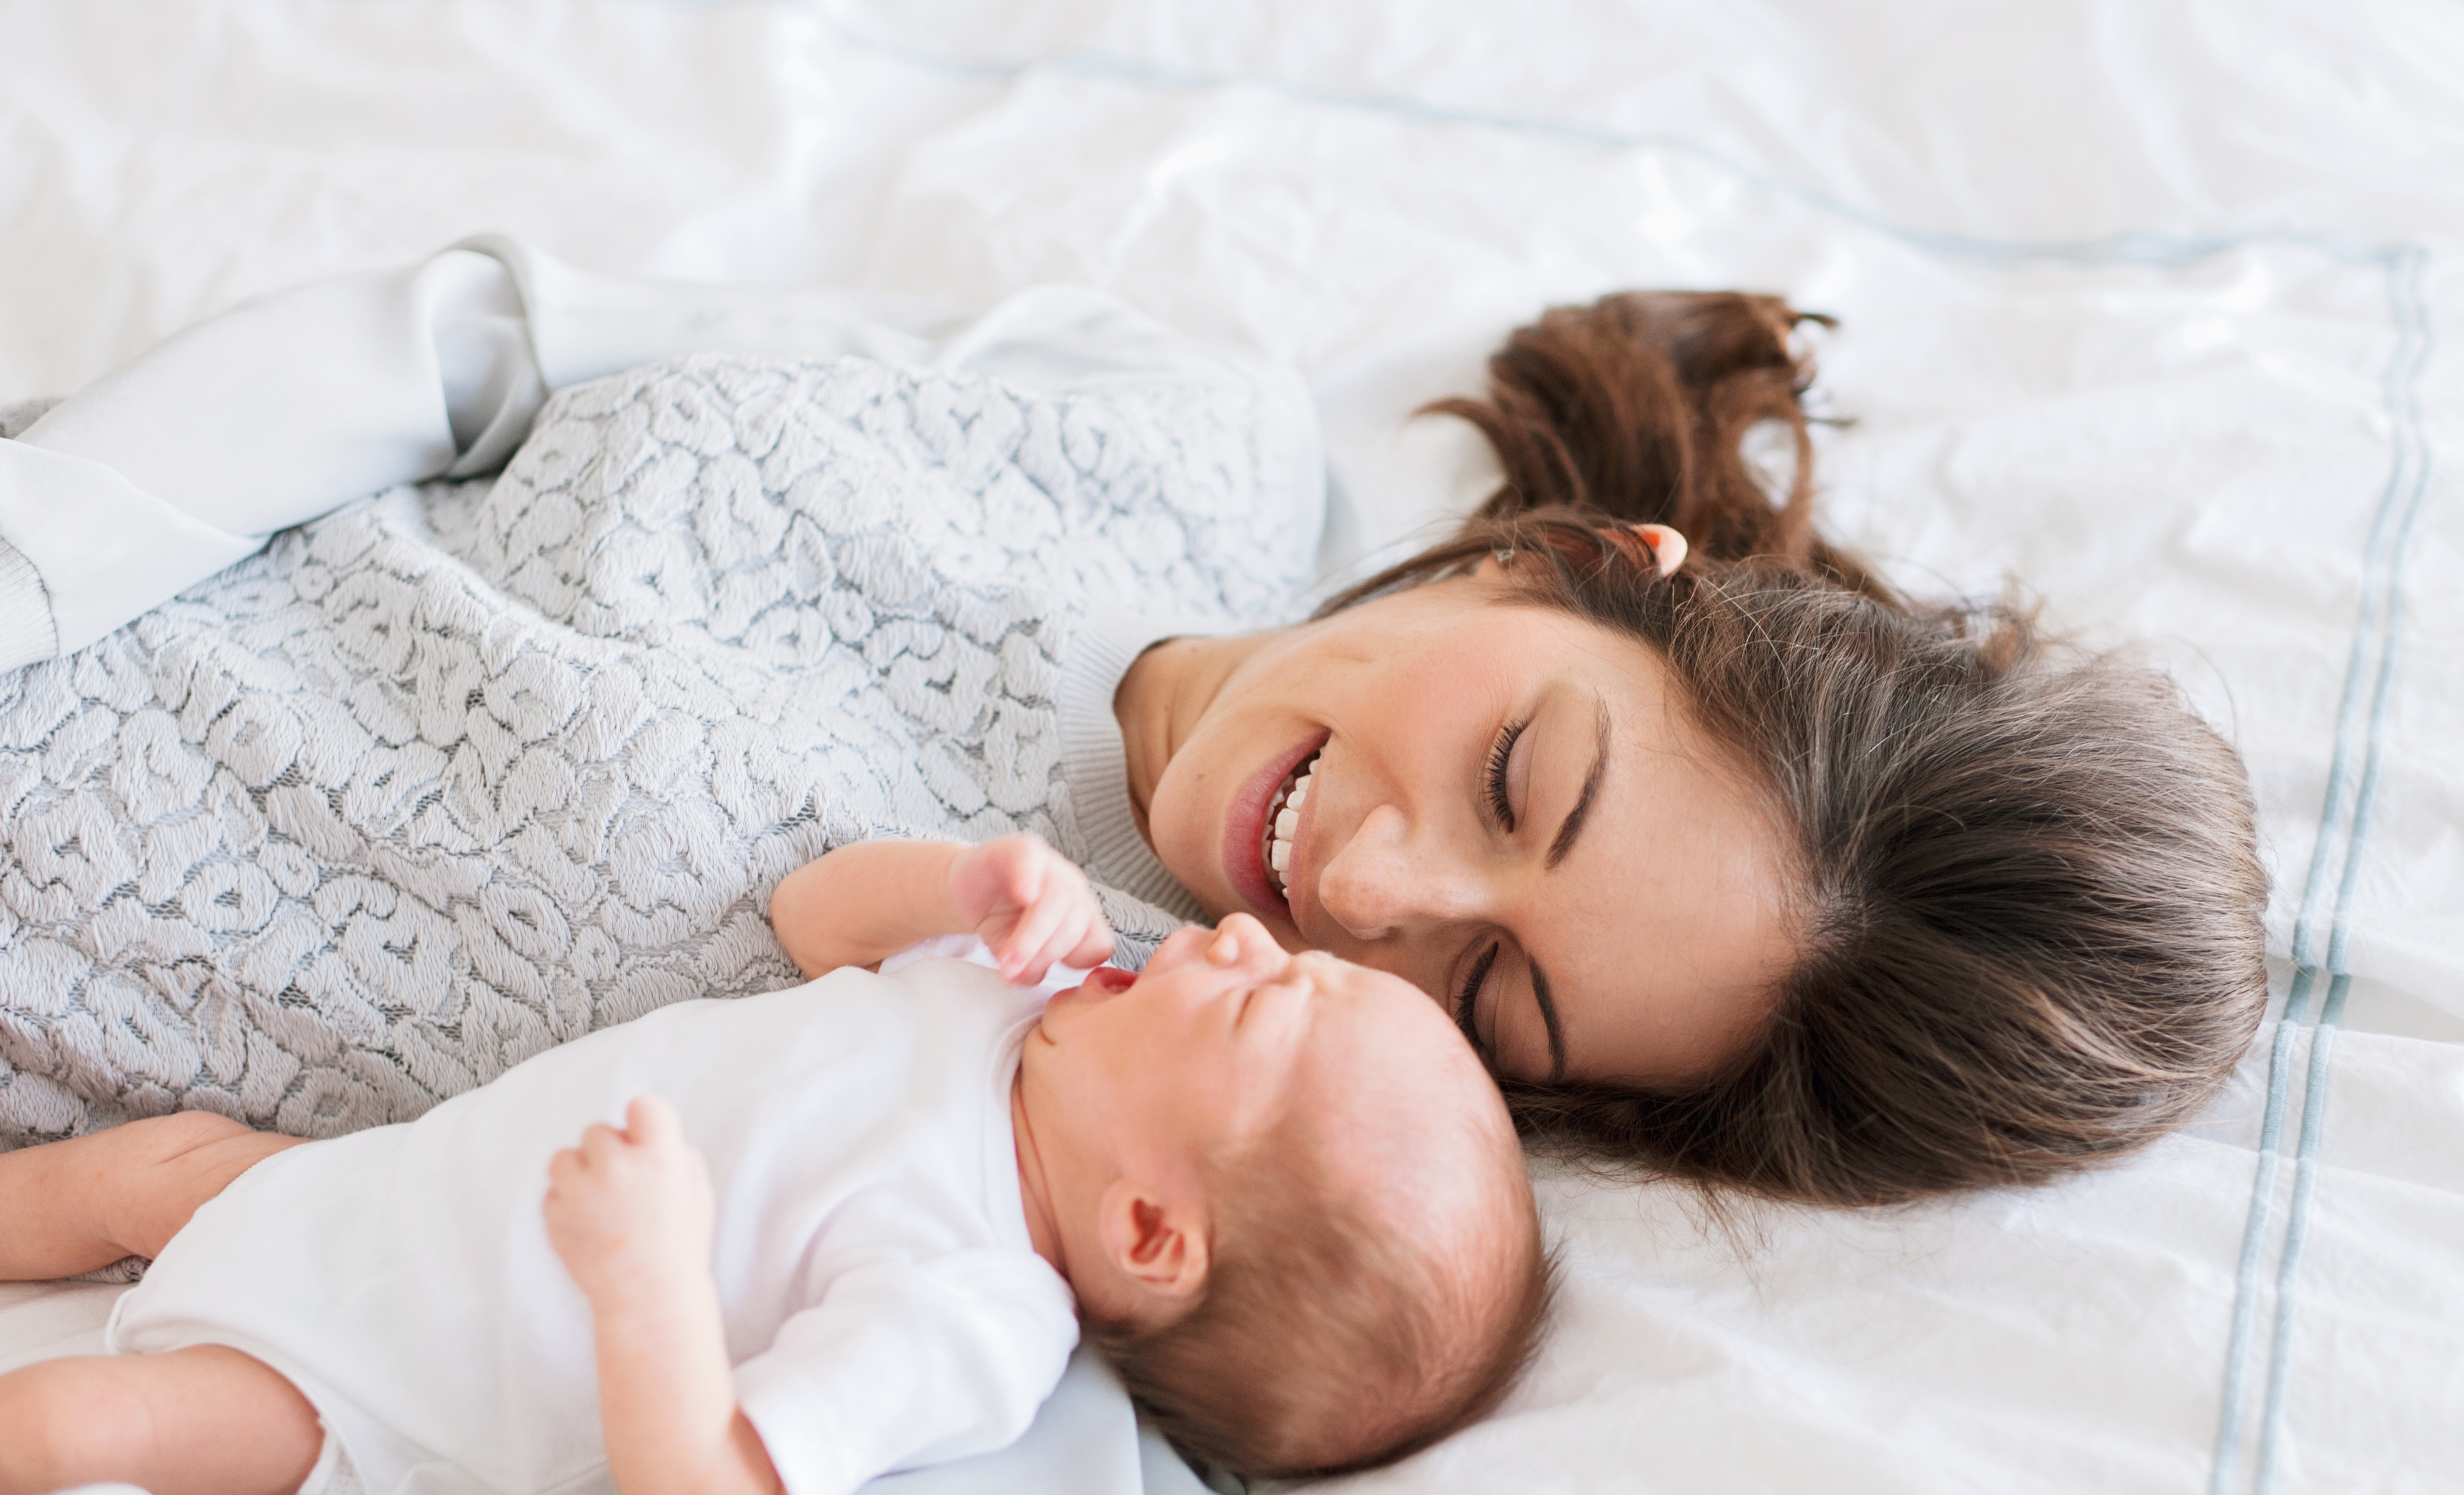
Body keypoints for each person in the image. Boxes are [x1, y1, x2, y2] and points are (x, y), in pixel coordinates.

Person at [0, 242, 2268, 1209]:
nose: (1367, 891)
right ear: (1581, 564)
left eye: (1488, 997)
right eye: (1519, 780)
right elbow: (462, 348)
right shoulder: (1171, 424)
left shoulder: (1091, 1070)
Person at [0, 832, 1551, 1495]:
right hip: (361, 1200)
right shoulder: (1039, 998)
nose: (1231, 934)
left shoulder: (973, 1310)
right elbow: (813, 918)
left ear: (1152, 1232)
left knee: (76, 1432)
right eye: (1295, 957)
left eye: (1258, 1003)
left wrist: (650, 1281)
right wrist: (960, 888)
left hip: (374, 1392)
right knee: (142, 1166)